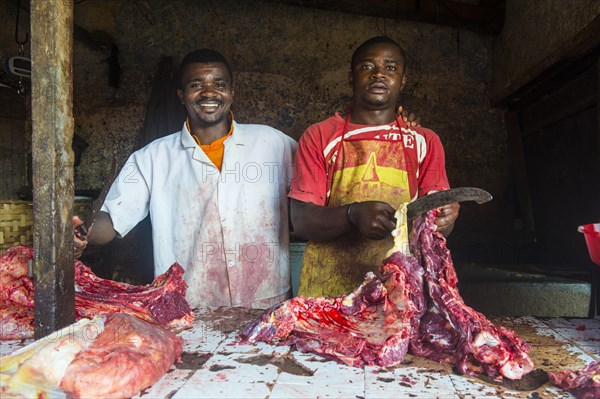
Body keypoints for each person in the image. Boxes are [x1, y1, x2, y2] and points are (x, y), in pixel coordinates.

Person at [75, 49, 297, 309]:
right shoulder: (153, 157)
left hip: (264, 302)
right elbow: (112, 220)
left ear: (232, 93)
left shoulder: (274, 143)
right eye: (196, 85)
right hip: (189, 306)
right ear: (182, 96)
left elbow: (311, 202)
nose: (209, 93)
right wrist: (82, 232)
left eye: (219, 84)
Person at [289, 36, 460, 298]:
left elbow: (434, 227)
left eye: (390, 68)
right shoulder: (319, 136)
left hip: (400, 291)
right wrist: (351, 215)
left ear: (402, 80)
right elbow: (301, 220)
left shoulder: (425, 141)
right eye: (367, 66)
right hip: (328, 291)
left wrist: (446, 219)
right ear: (351, 77)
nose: (379, 74)